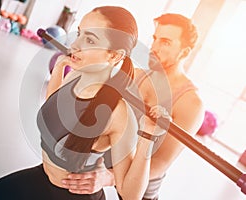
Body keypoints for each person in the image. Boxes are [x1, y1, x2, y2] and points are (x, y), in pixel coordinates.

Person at [0, 6, 170, 200]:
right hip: (42, 178)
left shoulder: (118, 113)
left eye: (89, 40)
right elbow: (54, 109)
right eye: (79, 34)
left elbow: (130, 194)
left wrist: (148, 136)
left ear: (114, 55)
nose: (74, 45)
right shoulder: (75, 77)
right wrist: (60, 67)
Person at [60, 13, 205, 200]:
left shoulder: (190, 103)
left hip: (140, 187)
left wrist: (108, 178)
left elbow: (161, 162)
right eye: (155, 38)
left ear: (184, 52)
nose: (154, 47)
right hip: (109, 166)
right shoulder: (136, 76)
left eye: (165, 42)